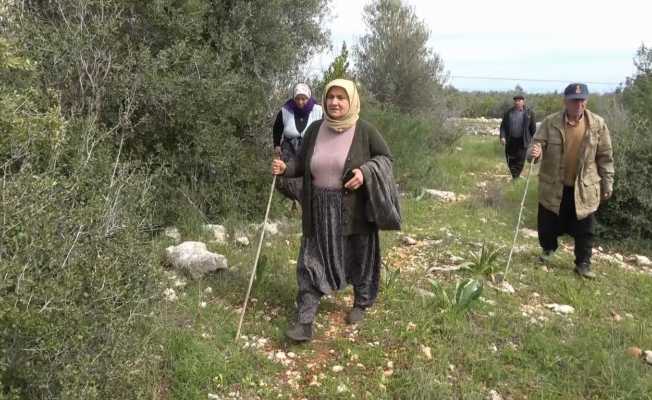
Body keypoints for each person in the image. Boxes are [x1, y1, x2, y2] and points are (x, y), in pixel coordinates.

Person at [271, 79, 400, 342]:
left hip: (353, 208)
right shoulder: (316, 128)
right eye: (330, 97)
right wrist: (286, 168)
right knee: (310, 262)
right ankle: (305, 320)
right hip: (318, 208)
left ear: (351, 101)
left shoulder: (365, 130)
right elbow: (301, 163)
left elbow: (386, 159)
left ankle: (361, 303)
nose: (335, 102)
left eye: (341, 97)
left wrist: (365, 173)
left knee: (360, 256)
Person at [528, 83, 614, 279]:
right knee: (548, 223)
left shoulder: (598, 124)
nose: (579, 104)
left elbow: (605, 156)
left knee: (585, 229)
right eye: (574, 100)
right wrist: (535, 152)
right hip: (554, 185)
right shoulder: (550, 122)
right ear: (565, 101)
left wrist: (607, 182)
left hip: (583, 187)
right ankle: (548, 251)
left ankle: (583, 263)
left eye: (582, 100)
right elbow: (537, 144)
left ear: (587, 101)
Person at [272, 83, 323, 203]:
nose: (300, 102)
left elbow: (325, 128)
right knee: (285, 175)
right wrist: (277, 145)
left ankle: (305, 201)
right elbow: (277, 127)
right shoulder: (286, 110)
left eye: (304, 99)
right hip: (289, 148)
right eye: (297, 98)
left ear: (309, 97)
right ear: (294, 98)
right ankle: (295, 199)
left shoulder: (318, 110)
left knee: (307, 176)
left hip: (310, 147)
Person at [500, 94, 537, 180]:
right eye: (516, 101)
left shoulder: (529, 113)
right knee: (510, 158)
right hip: (510, 139)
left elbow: (533, 129)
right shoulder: (508, 113)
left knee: (520, 159)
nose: (517, 102)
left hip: (522, 140)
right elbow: (503, 126)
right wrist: (502, 137)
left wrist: (535, 141)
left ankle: (516, 177)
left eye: (519, 101)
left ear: (523, 102)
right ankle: (514, 175)